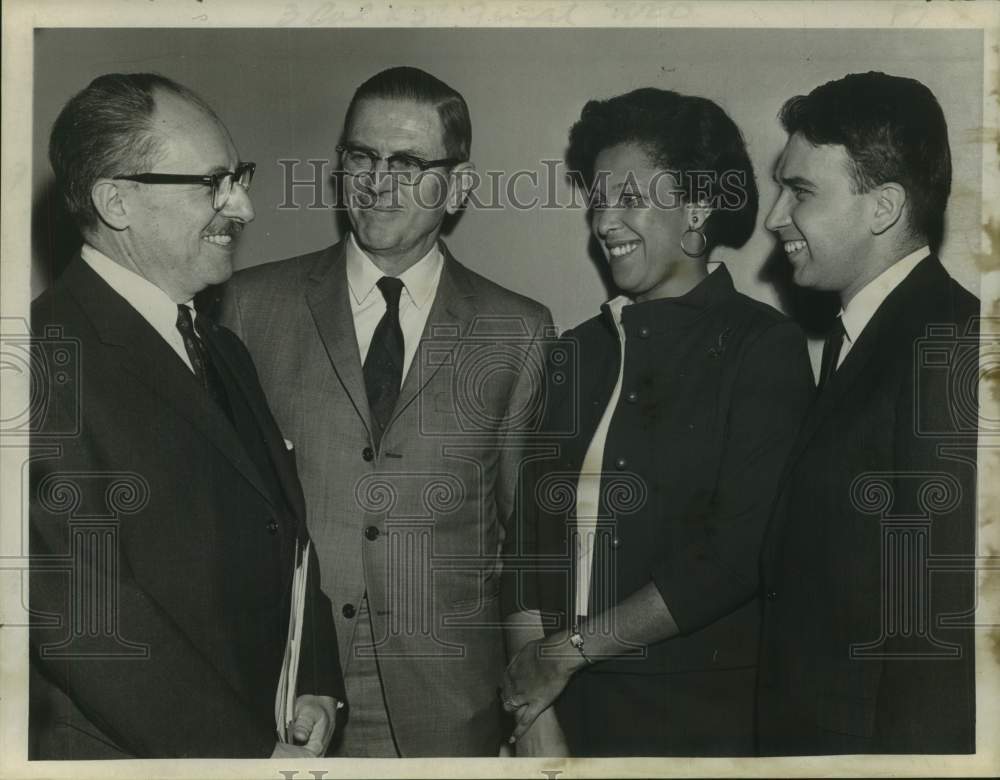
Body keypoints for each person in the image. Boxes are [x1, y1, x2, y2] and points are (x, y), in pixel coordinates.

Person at [219, 66, 553, 757]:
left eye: (405, 163)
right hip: (287, 696)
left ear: (458, 186)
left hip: (451, 706)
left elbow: (525, 540)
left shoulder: (516, 330)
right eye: (360, 157)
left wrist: (535, 699)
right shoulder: (251, 306)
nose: (376, 182)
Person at [29, 72, 344, 759]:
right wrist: (249, 760)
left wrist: (314, 682)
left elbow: (284, 527)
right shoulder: (41, 361)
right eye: (214, 183)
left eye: (241, 177)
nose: (244, 208)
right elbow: (89, 622)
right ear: (118, 201)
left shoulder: (222, 347)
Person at [501, 88, 814, 756]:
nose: (603, 221)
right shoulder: (576, 352)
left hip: (696, 725)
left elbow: (737, 556)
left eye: (629, 197)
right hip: (561, 715)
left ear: (697, 208)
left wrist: (570, 653)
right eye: (597, 200)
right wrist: (533, 715)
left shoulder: (763, 347)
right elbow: (527, 543)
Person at [757, 71, 978, 754]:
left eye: (800, 192)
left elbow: (934, 638)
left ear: (882, 208)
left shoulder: (949, 349)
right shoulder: (864, 336)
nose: (773, 217)